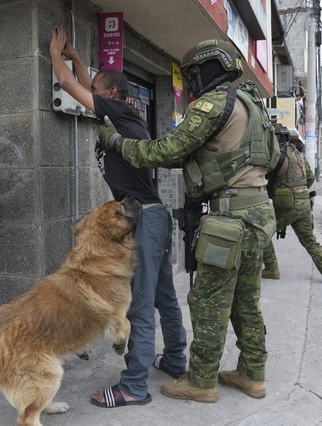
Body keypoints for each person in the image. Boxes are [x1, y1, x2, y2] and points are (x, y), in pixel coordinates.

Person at [100, 39, 278, 402]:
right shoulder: (251, 104)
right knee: (246, 300)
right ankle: (252, 374)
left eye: (192, 76)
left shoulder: (214, 103)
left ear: (203, 71)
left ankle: (201, 381)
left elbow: (163, 151)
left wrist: (115, 141)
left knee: (208, 302)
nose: (191, 85)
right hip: (258, 210)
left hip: (231, 219)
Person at [49, 27, 188, 408]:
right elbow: (81, 83)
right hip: (151, 215)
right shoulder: (120, 116)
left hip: (143, 218)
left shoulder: (119, 111)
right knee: (162, 295)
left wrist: (55, 52)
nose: (89, 92)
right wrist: (78, 58)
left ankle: (133, 386)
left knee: (140, 304)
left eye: (96, 89)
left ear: (110, 94)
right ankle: (175, 360)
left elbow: (65, 83)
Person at [262, 126, 322, 296]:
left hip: (285, 204)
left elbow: (265, 176)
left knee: (262, 231)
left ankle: (271, 268)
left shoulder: (277, 154)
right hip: (304, 203)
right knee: (310, 242)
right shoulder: (297, 154)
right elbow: (311, 177)